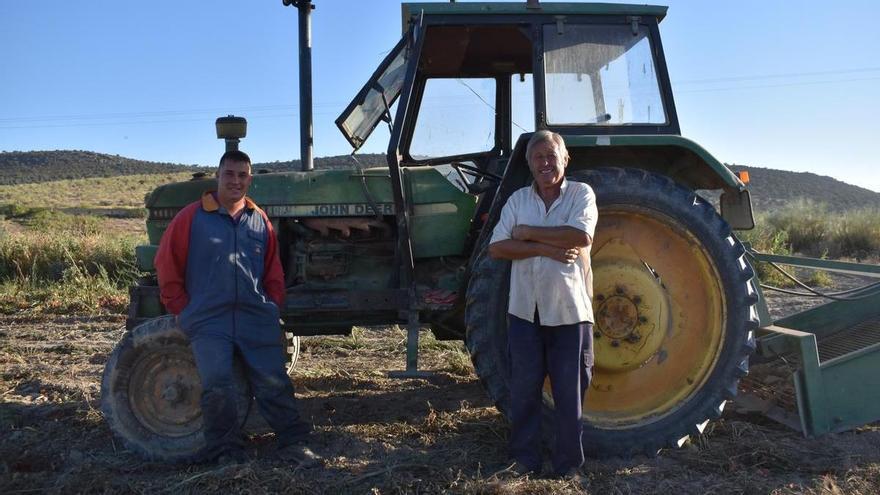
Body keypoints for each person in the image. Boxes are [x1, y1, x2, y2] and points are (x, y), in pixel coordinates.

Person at [154, 150, 319, 466]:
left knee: (274, 380)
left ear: (250, 179)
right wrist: (184, 310)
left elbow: (273, 270)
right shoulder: (191, 217)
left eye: (242, 175)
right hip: (208, 319)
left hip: (254, 317)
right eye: (229, 174)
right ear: (218, 175)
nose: (235, 181)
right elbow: (167, 264)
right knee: (217, 384)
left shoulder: (259, 219)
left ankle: (294, 443)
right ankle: (226, 451)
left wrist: (272, 305)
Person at [488, 130, 597, 479]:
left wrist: (528, 234)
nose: (546, 163)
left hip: (569, 311)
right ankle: (525, 460)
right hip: (524, 311)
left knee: (569, 394)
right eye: (538, 158)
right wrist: (547, 248)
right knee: (523, 390)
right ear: (529, 164)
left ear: (565, 159)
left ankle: (568, 467)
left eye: (552, 156)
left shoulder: (581, 194)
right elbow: (497, 248)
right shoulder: (518, 200)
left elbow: (580, 236)